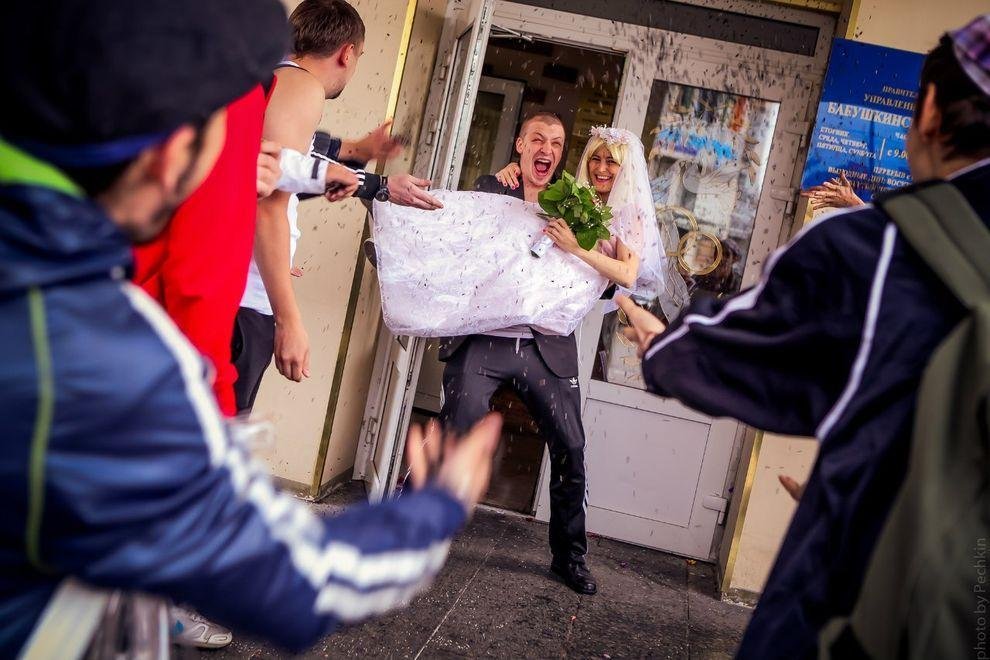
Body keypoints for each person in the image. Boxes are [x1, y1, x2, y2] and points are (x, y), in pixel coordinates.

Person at [0, 0, 501, 655]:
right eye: (233, 145)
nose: (253, 162)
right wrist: (436, 508)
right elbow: (289, 580)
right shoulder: (101, 365)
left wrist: (350, 166)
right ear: (172, 157)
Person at [614, 17, 990, 658]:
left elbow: (746, 356)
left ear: (929, 109)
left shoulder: (873, 250)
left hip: (857, 607)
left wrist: (667, 346)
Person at [440, 118, 667, 596]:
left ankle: (570, 557)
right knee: (454, 430)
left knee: (571, 447)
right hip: (486, 337)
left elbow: (618, 277)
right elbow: (468, 236)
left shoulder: (584, 207)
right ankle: (415, 530)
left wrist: (623, 300)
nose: (602, 168)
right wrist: (511, 176)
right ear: (521, 145)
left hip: (546, 346)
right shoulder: (500, 187)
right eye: (596, 159)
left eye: (557, 144)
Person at [234, 0, 443, 414]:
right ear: (347, 53)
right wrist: (289, 320)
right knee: (209, 432)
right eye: (359, 56)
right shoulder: (303, 87)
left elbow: (288, 166)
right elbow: (270, 200)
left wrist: (360, 155)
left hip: (239, 289)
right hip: (243, 301)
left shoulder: (274, 80)